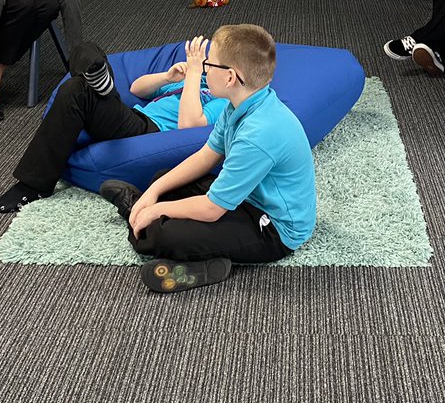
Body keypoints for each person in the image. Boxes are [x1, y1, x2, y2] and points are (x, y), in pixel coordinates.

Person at [98, 24, 316, 294]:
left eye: (209, 64)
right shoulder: (238, 105)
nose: (203, 69)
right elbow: (205, 156)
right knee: (161, 179)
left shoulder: (258, 134)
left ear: (230, 77)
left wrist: (155, 209)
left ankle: (177, 248)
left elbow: (212, 209)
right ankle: (146, 217)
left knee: (170, 235)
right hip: (247, 197)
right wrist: (154, 191)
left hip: (274, 229)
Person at [0, 38, 229, 213]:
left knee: (76, 89)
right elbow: (137, 88)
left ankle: (33, 185)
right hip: (130, 116)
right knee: (85, 51)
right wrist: (168, 77)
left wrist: (195, 75)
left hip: (148, 133)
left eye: (212, 64)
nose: (206, 65)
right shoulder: (194, 81)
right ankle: (99, 81)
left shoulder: (225, 102)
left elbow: (190, 127)